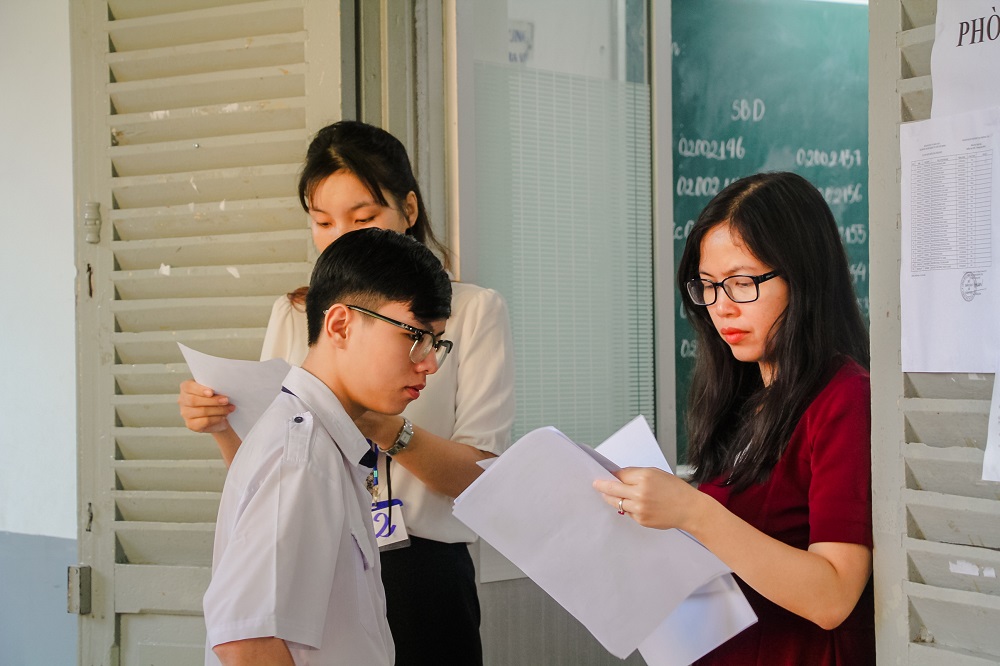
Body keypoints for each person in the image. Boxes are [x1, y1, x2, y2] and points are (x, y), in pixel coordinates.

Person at [181, 120, 515, 664]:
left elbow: (483, 476)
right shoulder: (295, 315)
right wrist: (224, 424)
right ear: (336, 325)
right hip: (326, 551)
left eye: (362, 218)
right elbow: (271, 474)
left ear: (408, 209)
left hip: (421, 563)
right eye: (322, 221)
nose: (342, 236)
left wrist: (378, 425)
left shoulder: (473, 310)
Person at [594, 172, 873, 665]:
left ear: (803, 278)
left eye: (742, 284)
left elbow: (833, 596)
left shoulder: (846, 397)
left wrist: (692, 512)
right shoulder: (743, 397)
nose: (721, 308)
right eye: (707, 286)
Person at [204, 227, 453, 665]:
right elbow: (246, 641)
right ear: (340, 325)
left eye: (437, 342)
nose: (429, 363)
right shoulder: (302, 454)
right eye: (415, 337)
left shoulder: (323, 441)